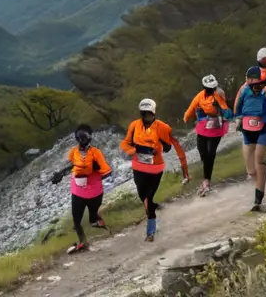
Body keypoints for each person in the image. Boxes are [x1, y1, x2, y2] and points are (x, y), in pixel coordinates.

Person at [120, 99, 190, 242]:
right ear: (141, 114)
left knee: (147, 198)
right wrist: (133, 150)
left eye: (149, 114)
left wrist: (159, 149)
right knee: (143, 197)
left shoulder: (162, 127)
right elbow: (125, 143)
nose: (147, 117)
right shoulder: (134, 126)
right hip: (138, 167)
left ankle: (150, 230)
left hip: (155, 169)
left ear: (154, 113)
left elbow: (170, 145)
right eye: (144, 114)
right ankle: (153, 206)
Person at [50, 124, 113, 254]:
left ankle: (96, 221)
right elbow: (72, 165)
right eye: (79, 137)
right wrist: (61, 173)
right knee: (76, 219)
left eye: (84, 137)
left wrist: (96, 170)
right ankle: (83, 242)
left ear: (89, 138)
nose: (81, 140)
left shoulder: (96, 153)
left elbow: (107, 171)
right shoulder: (73, 152)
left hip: (94, 191)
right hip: (78, 191)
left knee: (92, 218)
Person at [234, 66, 266, 212]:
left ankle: (258, 197)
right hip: (248, 128)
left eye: (254, 80)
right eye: (249, 79)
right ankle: (259, 185)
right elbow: (237, 108)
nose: (252, 82)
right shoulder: (244, 91)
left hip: (264, 128)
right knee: (251, 170)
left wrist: (263, 107)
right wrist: (238, 119)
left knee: (259, 159)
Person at [183, 74, 233, 197]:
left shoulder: (218, 96)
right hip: (203, 125)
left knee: (211, 153)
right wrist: (186, 117)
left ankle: (206, 181)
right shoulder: (200, 96)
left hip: (216, 125)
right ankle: (206, 172)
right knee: (203, 152)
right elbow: (192, 107)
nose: (212, 89)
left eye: (213, 87)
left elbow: (226, 110)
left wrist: (225, 111)